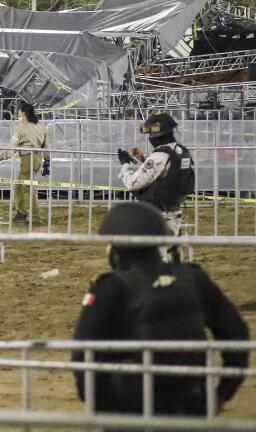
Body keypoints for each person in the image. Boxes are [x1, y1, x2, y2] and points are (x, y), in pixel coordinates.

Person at [72, 201, 248, 418]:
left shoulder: (110, 287)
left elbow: (83, 356)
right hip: (192, 405)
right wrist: (222, 394)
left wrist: (104, 408)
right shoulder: (194, 278)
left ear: (117, 248)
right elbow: (237, 334)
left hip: (132, 411)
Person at [117, 111, 195, 262]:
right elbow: (166, 173)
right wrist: (143, 159)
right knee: (174, 259)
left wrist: (125, 165)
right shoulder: (180, 151)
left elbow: (133, 183)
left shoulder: (160, 155)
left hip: (158, 216)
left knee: (156, 261)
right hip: (174, 211)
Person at [0, 101, 49, 223]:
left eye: (19, 112)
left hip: (28, 159)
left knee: (26, 188)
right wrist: (47, 160)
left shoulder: (21, 128)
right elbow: (46, 146)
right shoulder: (40, 126)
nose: (18, 114)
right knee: (18, 185)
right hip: (37, 159)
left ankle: (35, 217)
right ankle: (21, 212)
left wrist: (0, 157)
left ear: (23, 113)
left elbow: (12, 146)